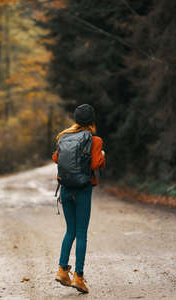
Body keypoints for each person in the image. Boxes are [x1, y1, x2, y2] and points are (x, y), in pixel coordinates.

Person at [52, 104, 105, 293]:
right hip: (82, 190)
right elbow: (96, 163)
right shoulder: (95, 140)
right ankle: (79, 277)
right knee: (81, 233)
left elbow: (56, 158)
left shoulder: (64, 137)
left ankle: (61, 270)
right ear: (91, 121)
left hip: (65, 190)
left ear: (75, 120)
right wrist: (102, 157)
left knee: (70, 231)